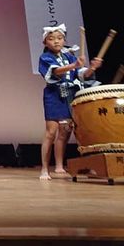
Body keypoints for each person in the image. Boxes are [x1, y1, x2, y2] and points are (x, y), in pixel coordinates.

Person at [38, 24, 101, 180]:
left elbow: (81, 75)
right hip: (54, 96)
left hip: (70, 96)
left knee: (65, 131)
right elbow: (54, 72)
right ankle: (44, 169)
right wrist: (74, 65)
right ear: (45, 42)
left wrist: (91, 68)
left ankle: (59, 166)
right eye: (51, 39)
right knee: (51, 132)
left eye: (60, 38)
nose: (56, 42)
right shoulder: (45, 57)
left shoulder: (70, 56)